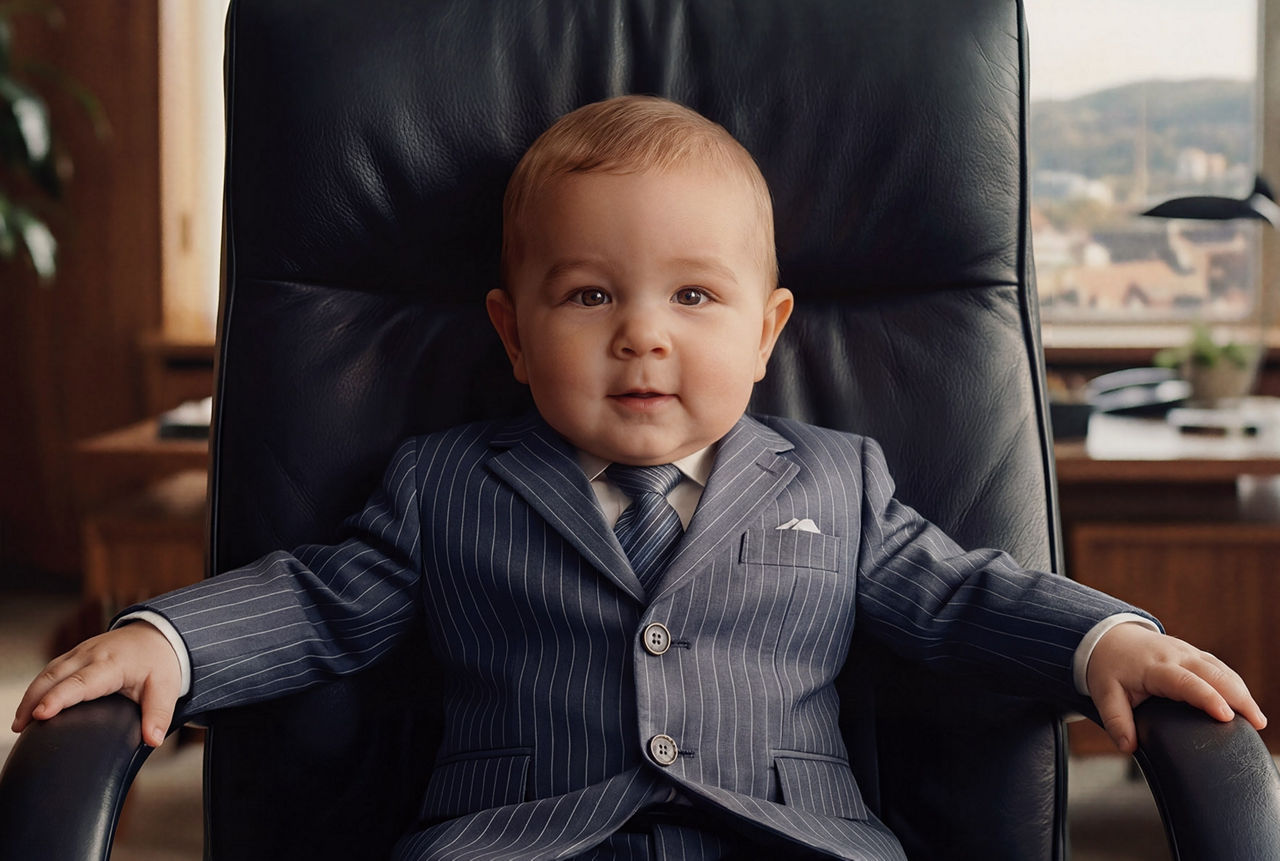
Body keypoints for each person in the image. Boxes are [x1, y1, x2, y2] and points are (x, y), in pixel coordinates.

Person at [12, 95, 1266, 860]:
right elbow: (312, 600)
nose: (643, 334)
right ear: (510, 333)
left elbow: (965, 596)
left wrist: (1101, 639)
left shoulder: (835, 480)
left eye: (694, 296)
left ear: (768, 330)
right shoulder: (446, 483)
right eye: (591, 294)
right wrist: (167, 642)